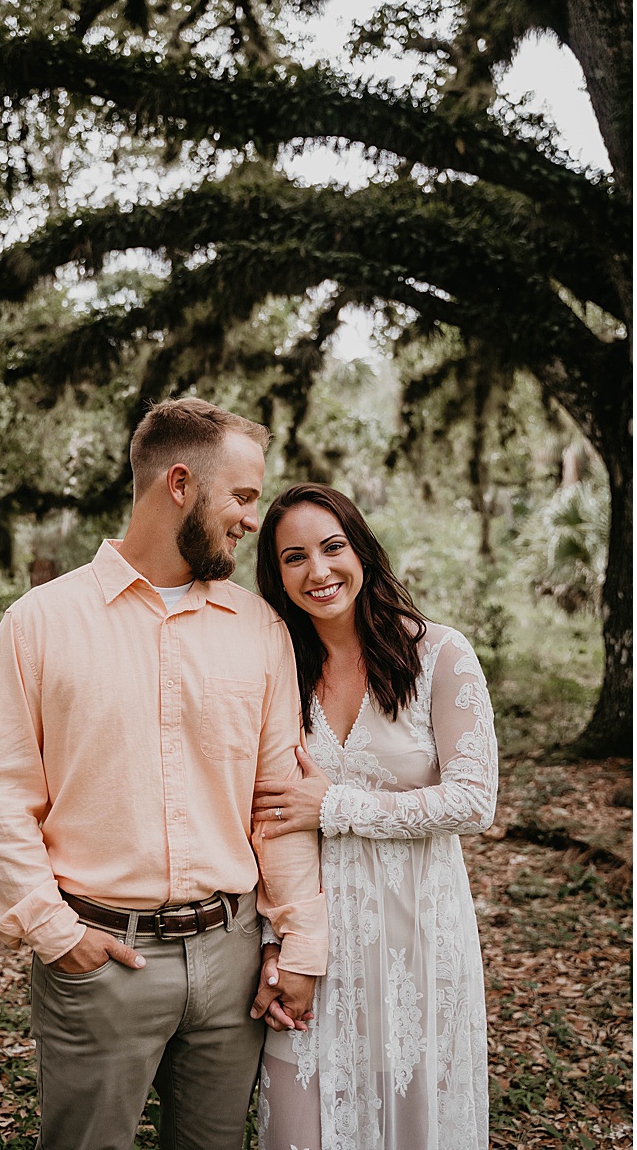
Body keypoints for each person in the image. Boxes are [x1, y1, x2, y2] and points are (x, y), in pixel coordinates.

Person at [0, 398, 328, 1149]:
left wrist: (298, 943)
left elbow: (279, 808)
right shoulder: (38, 623)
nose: (249, 520)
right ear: (179, 483)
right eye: (242, 496)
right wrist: (55, 932)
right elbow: (1, 797)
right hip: (101, 959)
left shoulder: (259, 628)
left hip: (232, 961)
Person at [248, 482, 498, 1150]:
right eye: (294, 557)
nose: (319, 571)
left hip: (416, 940)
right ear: (276, 575)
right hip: (315, 947)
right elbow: (266, 819)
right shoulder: (278, 674)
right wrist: (275, 941)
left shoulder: (440, 655)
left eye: (333, 547)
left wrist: (335, 805)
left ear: (361, 549)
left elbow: (474, 799)